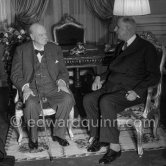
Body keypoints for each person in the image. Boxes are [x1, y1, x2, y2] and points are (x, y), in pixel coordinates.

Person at [83, 16, 161, 164]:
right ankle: (99, 137)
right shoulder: (121, 46)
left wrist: (137, 91)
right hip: (112, 86)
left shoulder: (146, 48)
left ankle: (115, 147)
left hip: (131, 92)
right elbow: (114, 69)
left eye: (117, 27)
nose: (114, 29)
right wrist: (99, 77)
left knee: (106, 101)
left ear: (128, 29)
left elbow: (155, 76)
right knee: (89, 99)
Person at [11, 23, 75, 150]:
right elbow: (15, 74)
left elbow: (63, 71)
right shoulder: (21, 50)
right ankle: (33, 138)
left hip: (53, 87)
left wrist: (62, 82)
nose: (45, 36)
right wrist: (25, 87)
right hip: (32, 89)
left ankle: (58, 134)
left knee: (67, 99)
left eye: (45, 33)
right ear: (32, 36)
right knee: (30, 105)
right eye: (41, 35)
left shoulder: (55, 48)